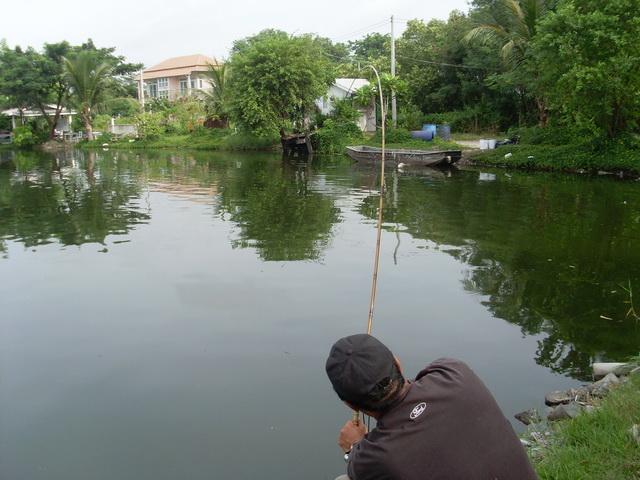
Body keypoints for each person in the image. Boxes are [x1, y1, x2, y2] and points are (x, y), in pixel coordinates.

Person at [325, 333, 538, 480]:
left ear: (350, 404)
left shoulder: (372, 459)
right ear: (397, 363)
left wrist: (353, 445)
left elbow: (358, 467)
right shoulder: (454, 372)